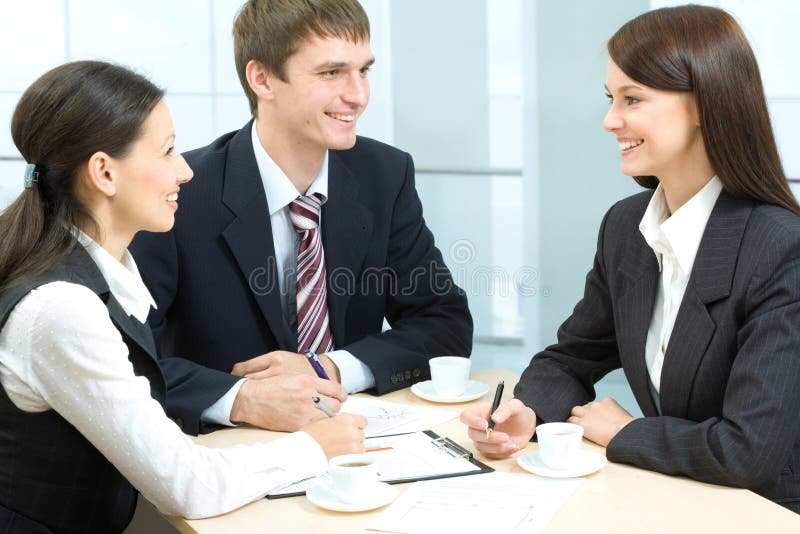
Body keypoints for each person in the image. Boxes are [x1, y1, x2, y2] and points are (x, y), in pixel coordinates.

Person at [0, 60, 367, 533]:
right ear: (104, 173)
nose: (186, 171)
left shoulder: (98, 273)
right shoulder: (61, 309)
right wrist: (317, 446)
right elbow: (187, 486)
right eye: (168, 152)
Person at [461, 5, 800, 512]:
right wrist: (527, 414)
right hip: (674, 493)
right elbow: (571, 357)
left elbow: (747, 451)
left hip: (764, 510)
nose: (609, 120)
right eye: (611, 98)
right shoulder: (627, 226)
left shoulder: (780, 248)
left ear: (706, 104)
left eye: (632, 99)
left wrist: (626, 432)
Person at [130, 0, 473, 436]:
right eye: (331, 73)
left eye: (363, 70)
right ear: (262, 79)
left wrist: (328, 368)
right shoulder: (180, 192)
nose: (358, 95)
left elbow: (444, 323)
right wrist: (242, 398)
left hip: (354, 446)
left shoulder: (385, 175)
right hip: (229, 456)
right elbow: (131, 357)